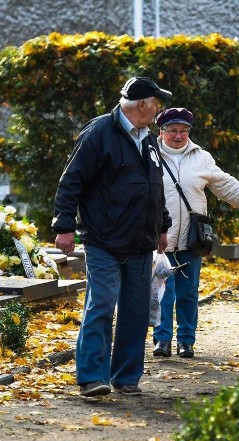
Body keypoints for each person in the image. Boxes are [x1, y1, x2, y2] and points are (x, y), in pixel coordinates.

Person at [53, 76, 172, 397]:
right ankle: (92, 376)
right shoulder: (98, 133)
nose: (159, 108)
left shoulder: (147, 139)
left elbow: (155, 186)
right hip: (103, 240)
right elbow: (71, 181)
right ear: (144, 104)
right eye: (157, 102)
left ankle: (125, 377)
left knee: (136, 312)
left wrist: (162, 225)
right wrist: (64, 226)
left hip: (140, 242)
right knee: (102, 304)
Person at [151, 107, 239, 359]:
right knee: (162, 291)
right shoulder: (150, 156)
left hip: (192, 239)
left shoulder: (200, 157)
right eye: (172, 130)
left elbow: (226, 185)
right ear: (160, 132)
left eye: (183, 131)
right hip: (159, 239)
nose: (178, 136)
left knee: (188, 292)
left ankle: (186, 341)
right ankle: (161, 341)